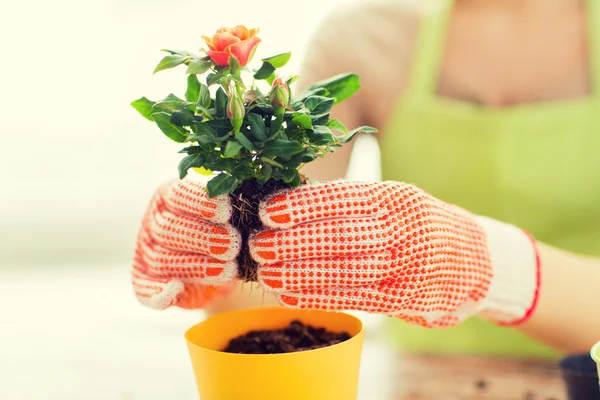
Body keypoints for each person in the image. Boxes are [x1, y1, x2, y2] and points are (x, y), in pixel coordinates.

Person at [131, 0, 600, 358]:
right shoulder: (366, 41)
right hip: (422, 378)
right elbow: (276, 288)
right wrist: (217, 260)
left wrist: (488, 264)